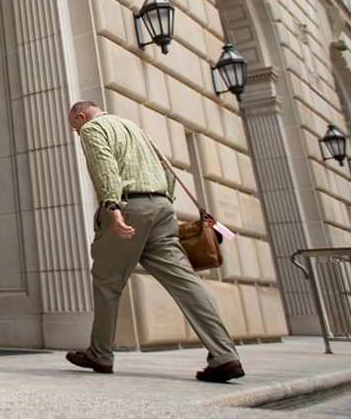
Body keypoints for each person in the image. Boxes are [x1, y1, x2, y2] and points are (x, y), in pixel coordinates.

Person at [64, 100, 244, 383]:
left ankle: (100, 354)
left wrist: (112, 205)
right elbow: (166, 166)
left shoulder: (93, 128)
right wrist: (164, 204)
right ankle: (224, 354)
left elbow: (104, 164)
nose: (77, 133)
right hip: (162, 208)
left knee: (107, 282)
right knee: (186, 282)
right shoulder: (134, 127)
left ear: (81, 116)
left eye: (75, 127)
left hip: (130, 207)